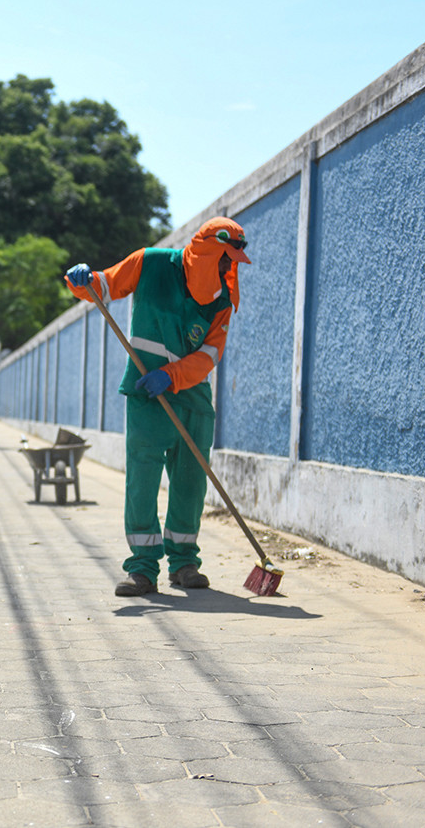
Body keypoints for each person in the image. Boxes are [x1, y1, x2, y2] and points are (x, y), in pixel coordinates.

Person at [64, 217, 250, 597]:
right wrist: (81, 280)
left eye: (230, 261)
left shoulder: (222, 301)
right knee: (143, 481)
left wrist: (174, 375)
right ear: (204, 251)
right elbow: (104, 286)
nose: (226, 267)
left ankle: (184, 563)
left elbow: (211, 354)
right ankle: (143, 568)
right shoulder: (149, 263)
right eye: (221, 259)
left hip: (192, 396)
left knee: (190, 482)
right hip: (147, 394)